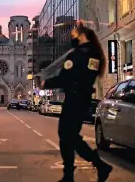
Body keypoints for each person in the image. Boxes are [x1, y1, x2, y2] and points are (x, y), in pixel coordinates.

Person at [40, 22, 113, 182]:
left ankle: (93, 167)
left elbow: (66, 77)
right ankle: (79, 172)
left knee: (67, 136)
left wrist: (47, 83)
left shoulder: (78, 54)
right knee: (70, 136)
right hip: (82, 99)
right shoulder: (93, 53)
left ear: (81, 35)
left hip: (74, 99)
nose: (71, 37)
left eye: (73, 34)